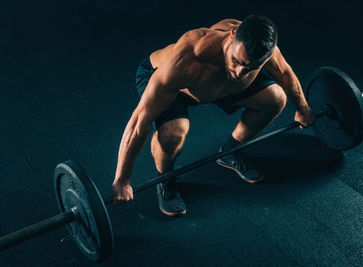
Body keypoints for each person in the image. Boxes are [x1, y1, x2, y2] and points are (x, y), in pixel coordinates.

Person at [112, 15, 315, 216]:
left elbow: (284, 74)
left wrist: (303, 108)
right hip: (176, 84)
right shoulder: (190, 56)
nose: (239, 71)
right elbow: (140, 120)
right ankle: (166, 178)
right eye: (236, 60)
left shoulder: (263, 51)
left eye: (250, 67)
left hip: (216, 87)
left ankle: (230, 151)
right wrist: (122, 178)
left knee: (276, 99)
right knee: (173, 133)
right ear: (232, 35)